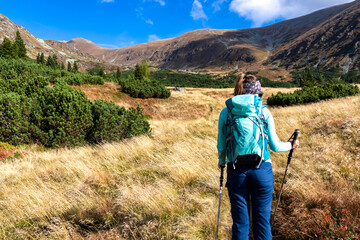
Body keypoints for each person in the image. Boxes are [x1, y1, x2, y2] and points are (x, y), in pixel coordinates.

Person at [217, 73, 299, 240]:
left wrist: (222, 162)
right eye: (260, 94)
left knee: (240, 223)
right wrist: (291, 144)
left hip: (236, 170)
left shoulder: (226, 112)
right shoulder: (263, 112)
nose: (261, 96)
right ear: (256, 93)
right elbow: (275, 146)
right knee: (262, 222)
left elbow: (221, 144)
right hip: (262, 170)